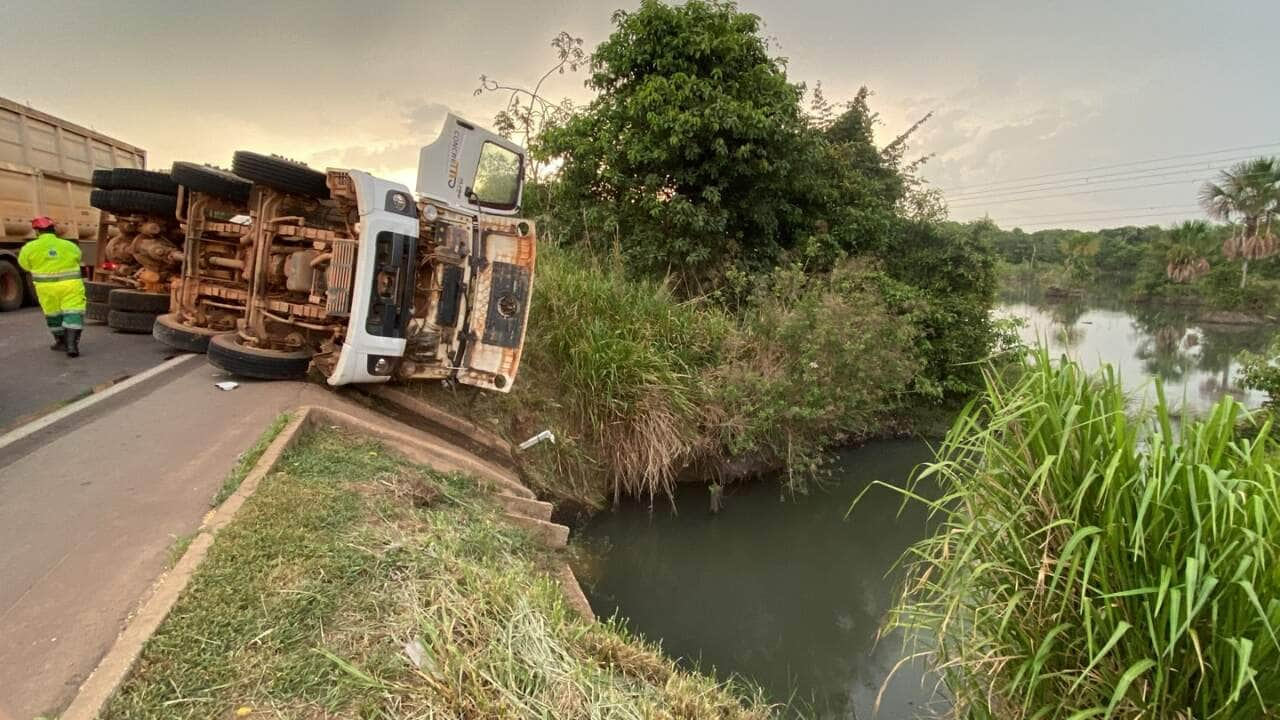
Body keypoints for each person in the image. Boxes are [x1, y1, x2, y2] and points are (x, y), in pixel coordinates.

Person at [18, 217, 86, 357]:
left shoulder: (29, 248)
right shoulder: (69, 245)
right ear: (53, 229)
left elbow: (24, 265)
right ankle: (72, 345)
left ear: (37, 231)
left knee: (53, 314)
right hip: (70, 285)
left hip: (46, 288)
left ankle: (61, 342)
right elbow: (78, 258)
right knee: (73, 312)